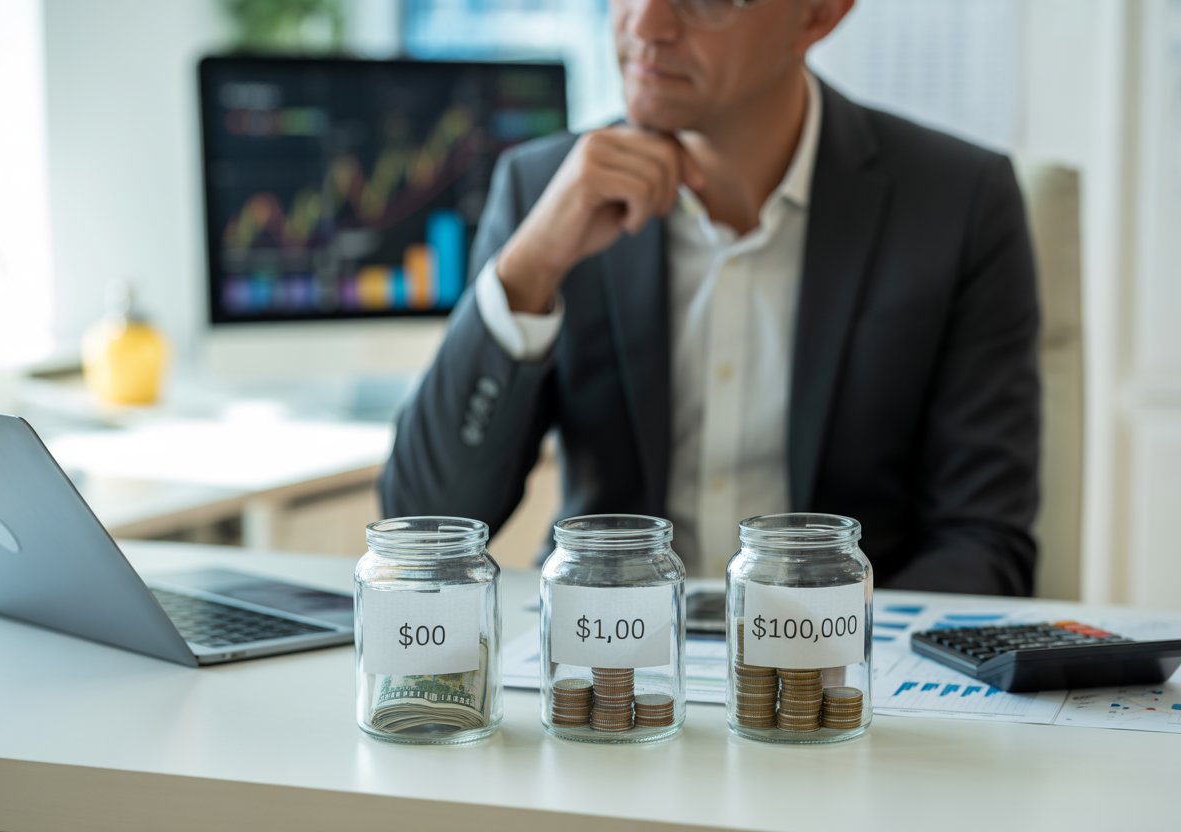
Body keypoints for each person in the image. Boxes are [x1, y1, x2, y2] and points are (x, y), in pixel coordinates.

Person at [381, 0, 1040, 596]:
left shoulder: (959, 203)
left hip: (841, 680)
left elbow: (984, 542)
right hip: (607, 670)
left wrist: (831, 659)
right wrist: (528, 270)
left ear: (819, 14)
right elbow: (421, 526)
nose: (645, 25)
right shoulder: (542, 191)